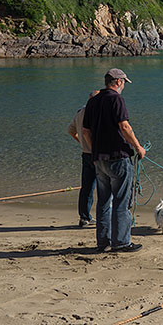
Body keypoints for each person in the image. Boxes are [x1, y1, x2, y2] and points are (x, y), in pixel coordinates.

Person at [82, 68, 146, 253]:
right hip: (117, 157)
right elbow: (124, 126)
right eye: (124, 82)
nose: (124, 85)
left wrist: (94, 151)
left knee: (103, 201)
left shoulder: (93, 101)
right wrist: (138, 147)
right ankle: (121, 242)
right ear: (117, 82)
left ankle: (103, 242)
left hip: (99, 159)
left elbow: (86, 131)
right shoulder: (116, 99)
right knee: (121, 201)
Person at [67, 90, 100, 227]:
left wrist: (81, 142)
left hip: (85, 153)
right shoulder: (96, 113)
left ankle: (84, 217)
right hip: (97, 154)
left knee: (86, 187)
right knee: (105, 187)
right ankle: (104, 217)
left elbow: (70, 130)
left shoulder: (80, 112)